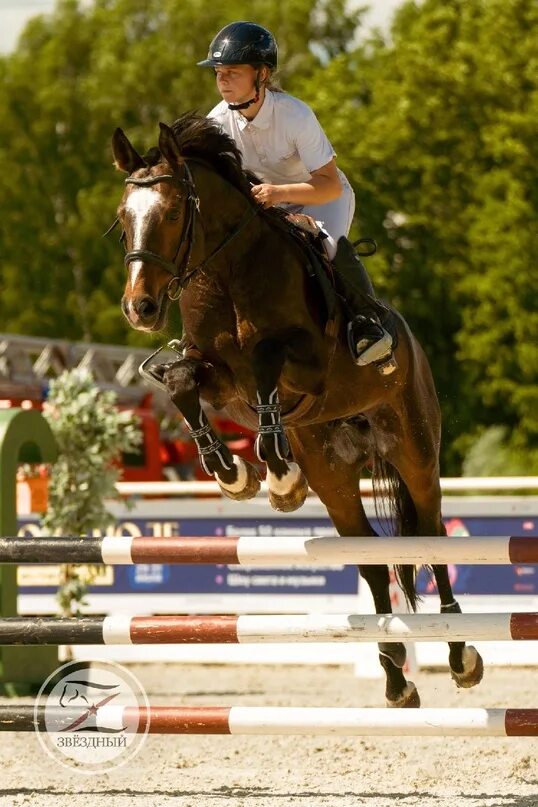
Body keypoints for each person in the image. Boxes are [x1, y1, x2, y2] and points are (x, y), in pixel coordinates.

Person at [197, 21, 393, 369]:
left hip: (322, 196)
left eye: (232, 72)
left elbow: (329, 183)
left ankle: (368, 324)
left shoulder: (295, 115)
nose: (222, 80)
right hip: (270, 203)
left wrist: (278, 193)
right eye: (218, 73)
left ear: (262, 74)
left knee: (329, 245)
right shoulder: (216, 123)